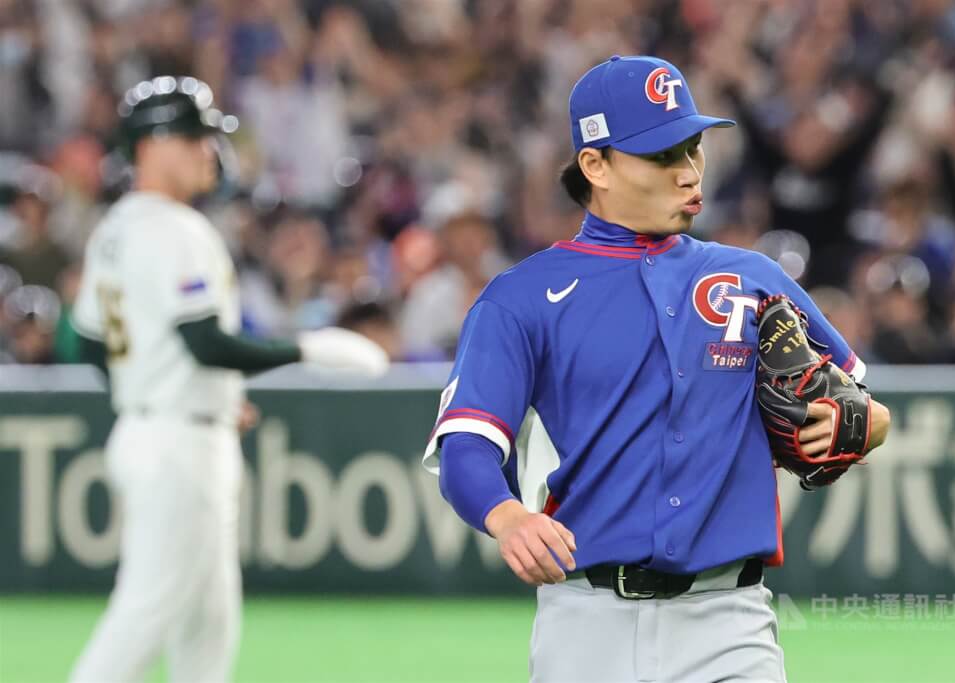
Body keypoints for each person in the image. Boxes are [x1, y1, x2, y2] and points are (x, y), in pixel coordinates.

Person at [423, 56, 891, 683]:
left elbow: (864, 405)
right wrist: (506, 516)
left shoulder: (751, 279)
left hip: (730, 624)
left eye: (693, 149)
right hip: (585, 625)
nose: (689, 171)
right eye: (663, 155)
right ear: (596, 165)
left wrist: (861, 422)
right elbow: (466, 447)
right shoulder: (522, 297)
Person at [69, 76, 388, 683]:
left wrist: (175, 392)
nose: (208, 150)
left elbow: (87, 342)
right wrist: (307, 348)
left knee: (209, 623)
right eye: (194, 137)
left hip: (159, 430)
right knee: (144, 615)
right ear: (152, 145)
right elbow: (206, 341)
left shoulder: (115, 228)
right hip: (178, 448)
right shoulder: (174, 228)